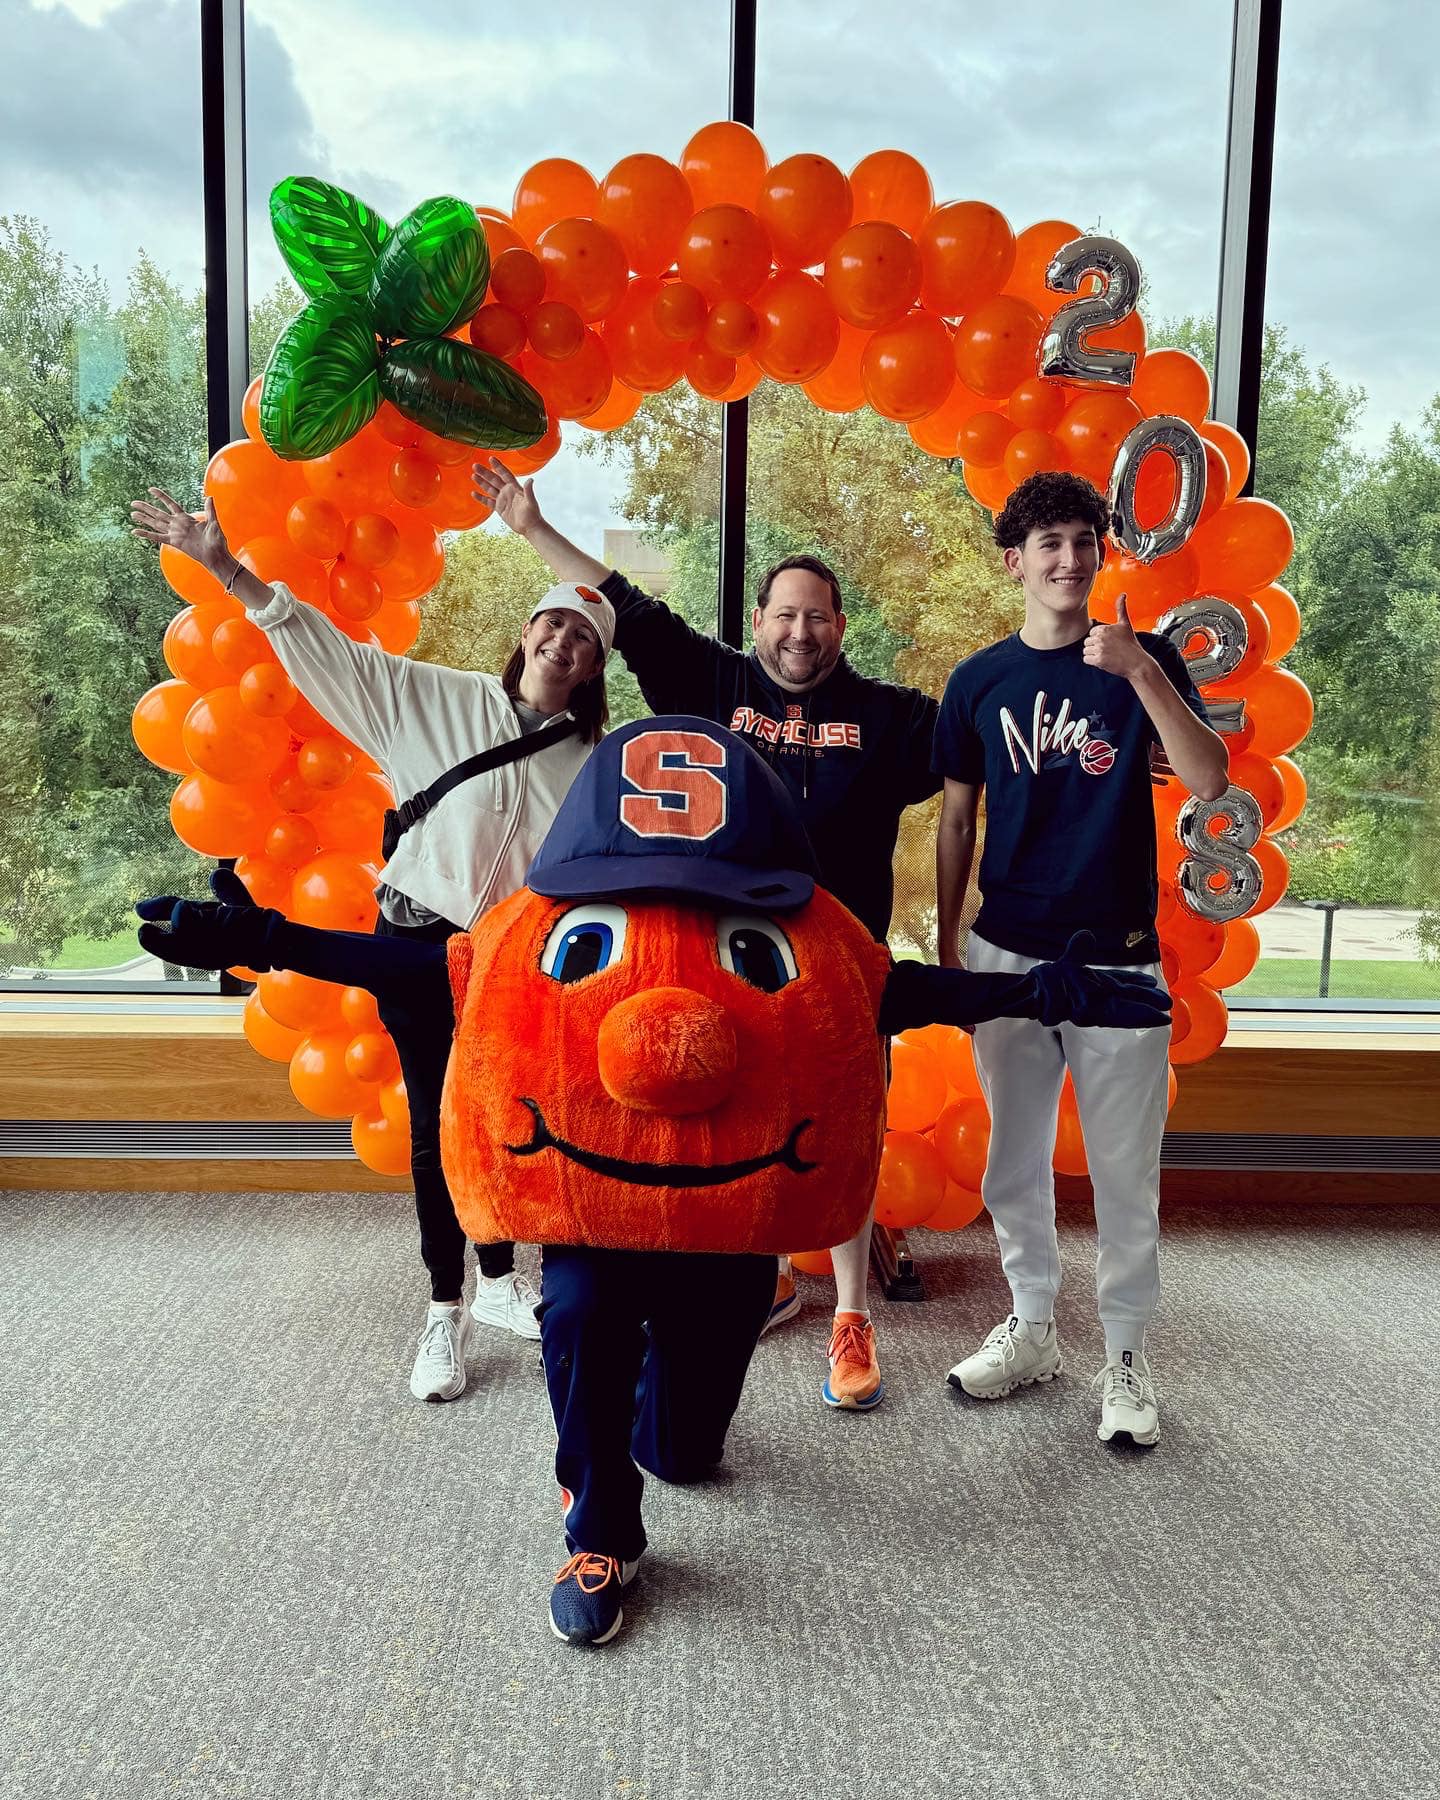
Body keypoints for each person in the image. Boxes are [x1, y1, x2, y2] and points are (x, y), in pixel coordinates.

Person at [135, 716, 1168, 1645]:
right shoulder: (530, 934)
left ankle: (623, 1422)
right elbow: (412, 968)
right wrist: (257, 938)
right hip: (599, 1211)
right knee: (578, 1312)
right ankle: (597, 1524)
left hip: (727, 1235)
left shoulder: (815, 941)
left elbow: (908, 990)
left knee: (684, 1455)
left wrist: (1047, 991)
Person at [473, 457, 941, 1414]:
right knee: (738, 1118)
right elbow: (626, 605)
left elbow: (986, 741)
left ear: (840, 628)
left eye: (817, 615)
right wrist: (531, 525)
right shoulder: (712, 680)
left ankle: (852, 1313)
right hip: (726, 964)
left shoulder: (892, 719)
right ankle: (760, 1273)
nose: (799, 630)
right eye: (783, 613)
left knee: (846, 1124)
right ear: (759, 622)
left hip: (835, 973)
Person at [129, 486, 614, 1403]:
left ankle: (506, 1282)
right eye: (554, 626)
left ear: (595, 666)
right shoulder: (436, 701)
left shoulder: (594, 763)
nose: (564, 644)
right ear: (528, 632)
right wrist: (229, 567)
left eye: (584, 639)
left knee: (508, 1120)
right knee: (436, 1125)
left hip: (506, 966)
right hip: (412, 944)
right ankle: (445, 1311)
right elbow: (330, 656)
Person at [933, 469, 1229, 1446]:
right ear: (1014, 562)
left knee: (1123, 1173)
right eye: (1048, 544)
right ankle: (1031, 1327)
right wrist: (946, 941)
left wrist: (1142, 671)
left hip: (1119, 962)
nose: (1069, 559)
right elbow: (958, 818)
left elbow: (1209, 777)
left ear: (1102, 557)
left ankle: (1128, 1359)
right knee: (1011, 1165)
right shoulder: (978, 681)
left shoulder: (1139, 661)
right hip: (1007, 951)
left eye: (1084, 542)